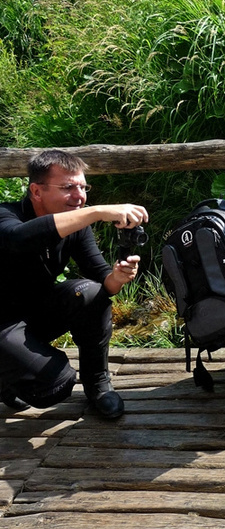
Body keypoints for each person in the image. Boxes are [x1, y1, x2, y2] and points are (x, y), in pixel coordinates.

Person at [0, 149, 149, 420]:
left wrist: (118, 276)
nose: (80, 196)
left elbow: (102, 280)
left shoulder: (77, 226)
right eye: (68, 187)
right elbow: (17, 239)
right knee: (56, 385)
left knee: (91, 293)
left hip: (34, 315)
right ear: (36, 191)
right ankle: (7, 379)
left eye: (83, 187)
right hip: (3, 323)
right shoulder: (6, 216)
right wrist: (97, 212)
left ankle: (98, 385)